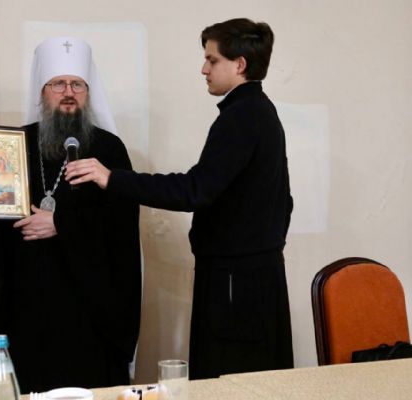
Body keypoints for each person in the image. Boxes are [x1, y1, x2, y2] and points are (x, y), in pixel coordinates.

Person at [66, 18, 294, 379]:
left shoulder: (242, 116)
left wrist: (112, 178)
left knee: (229, 382)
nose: (204, 69)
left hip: (235, 281)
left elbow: (194, 190)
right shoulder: (259, 111)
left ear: (240, 65)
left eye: (212, 60)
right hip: (251, 275)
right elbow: (285, 201)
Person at [0, 36, 141, 393]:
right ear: (42, 93)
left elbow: (122, 222)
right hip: (27, 307)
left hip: (89, 310)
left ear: (88, 93)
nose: (68, 93)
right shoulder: (13, 145)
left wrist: (61, 224)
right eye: (58, 84)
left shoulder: (109, 148)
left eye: (77, 85)